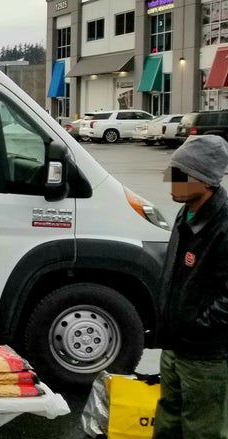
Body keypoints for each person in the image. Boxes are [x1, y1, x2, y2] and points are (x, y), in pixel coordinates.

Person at [153, 134, 228, 439]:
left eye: (181, 175)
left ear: (206, 180)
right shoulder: (186, 212)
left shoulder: (223, 227)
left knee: (202, 431)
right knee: (168, 423)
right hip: (175, 347)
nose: (173, 182)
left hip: (206, 357)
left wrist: (196, 328)